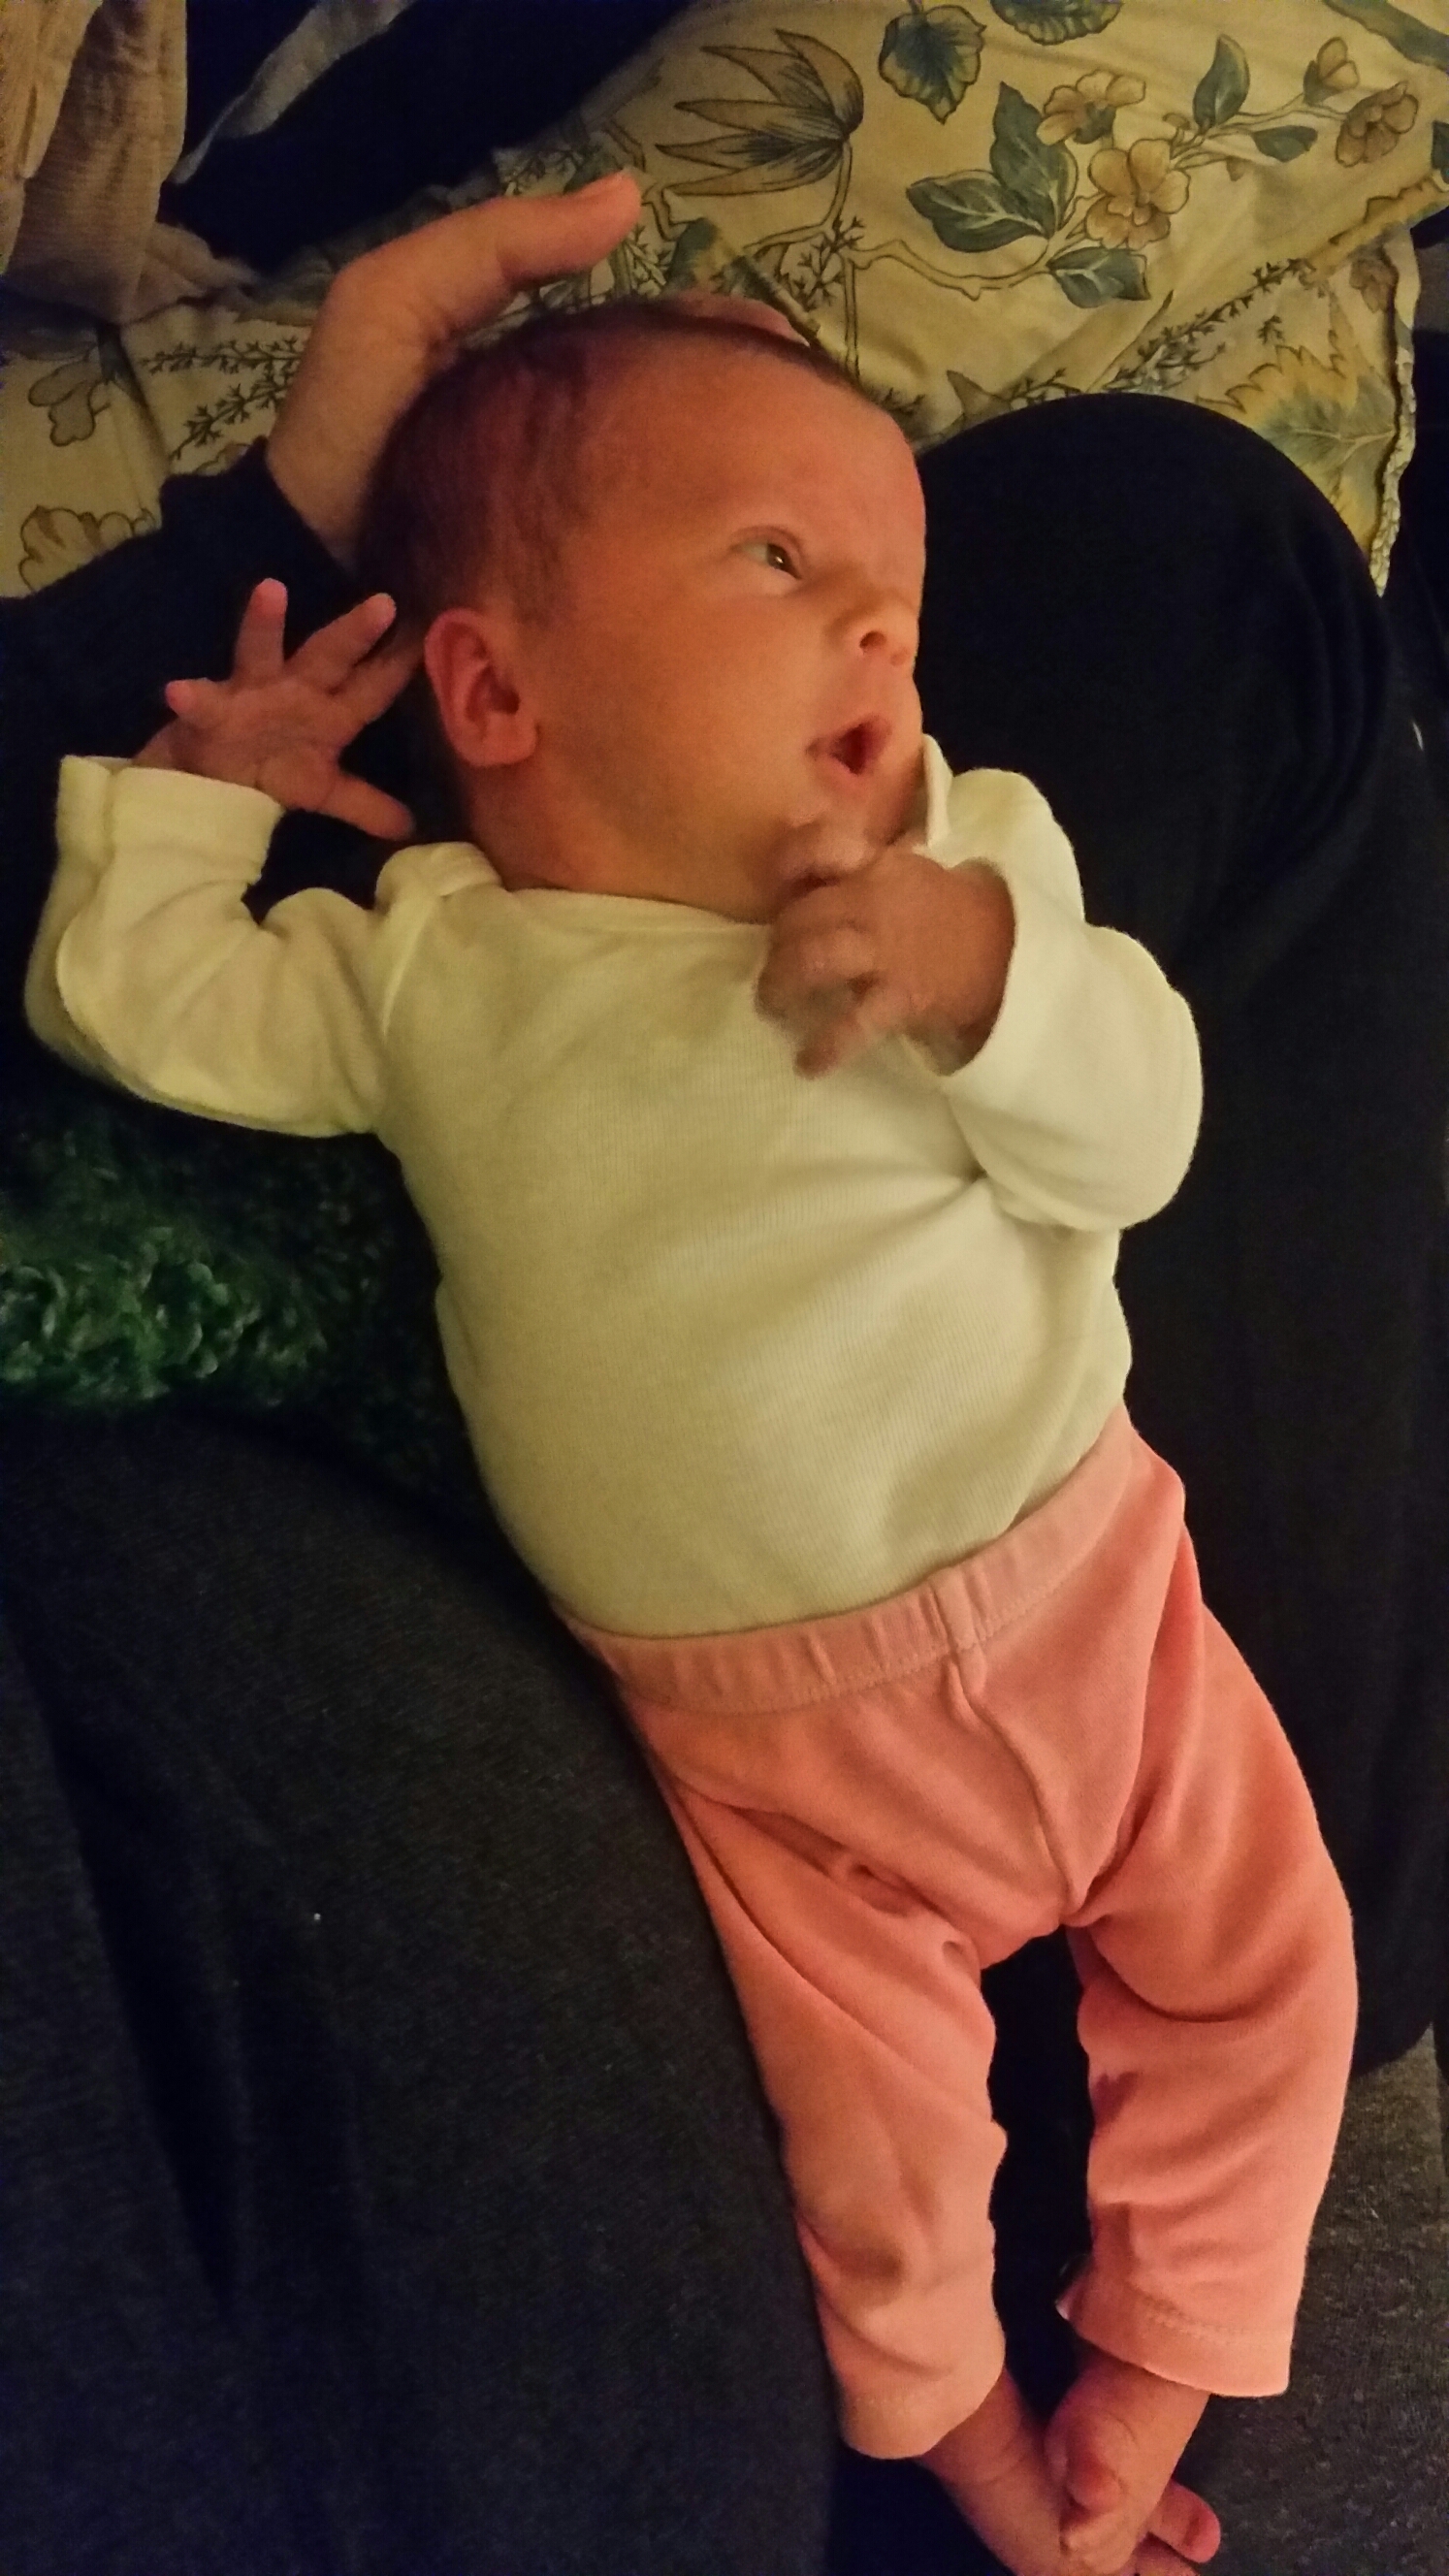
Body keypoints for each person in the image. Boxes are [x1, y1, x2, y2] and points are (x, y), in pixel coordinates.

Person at [0, 168, 1444, 2576]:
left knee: (1270, 1978)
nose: (879, 627)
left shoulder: (970, 855)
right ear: (495, 694)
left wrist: (989, 976)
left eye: (898, 597)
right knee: (877, 2158)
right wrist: (203, 790)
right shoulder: (432, 967)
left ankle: (1174, 2353)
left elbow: (1141, 1132)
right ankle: (994, 2461)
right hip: (765, 1751)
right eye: (780, 563)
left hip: (1094, 1588)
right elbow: (135, 1005)